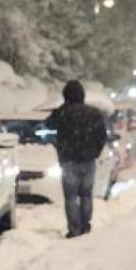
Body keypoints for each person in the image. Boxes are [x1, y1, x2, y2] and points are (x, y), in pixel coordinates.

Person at [46, 80, 108, 238]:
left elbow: (48, 124)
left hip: (68, 161)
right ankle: (85, 224)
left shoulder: (63, 113)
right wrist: (95, 151)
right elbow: (102, 135)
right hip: (88, 160)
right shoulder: (94, 113)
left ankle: (74, 228)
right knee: (86, 195)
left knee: (71, 196)